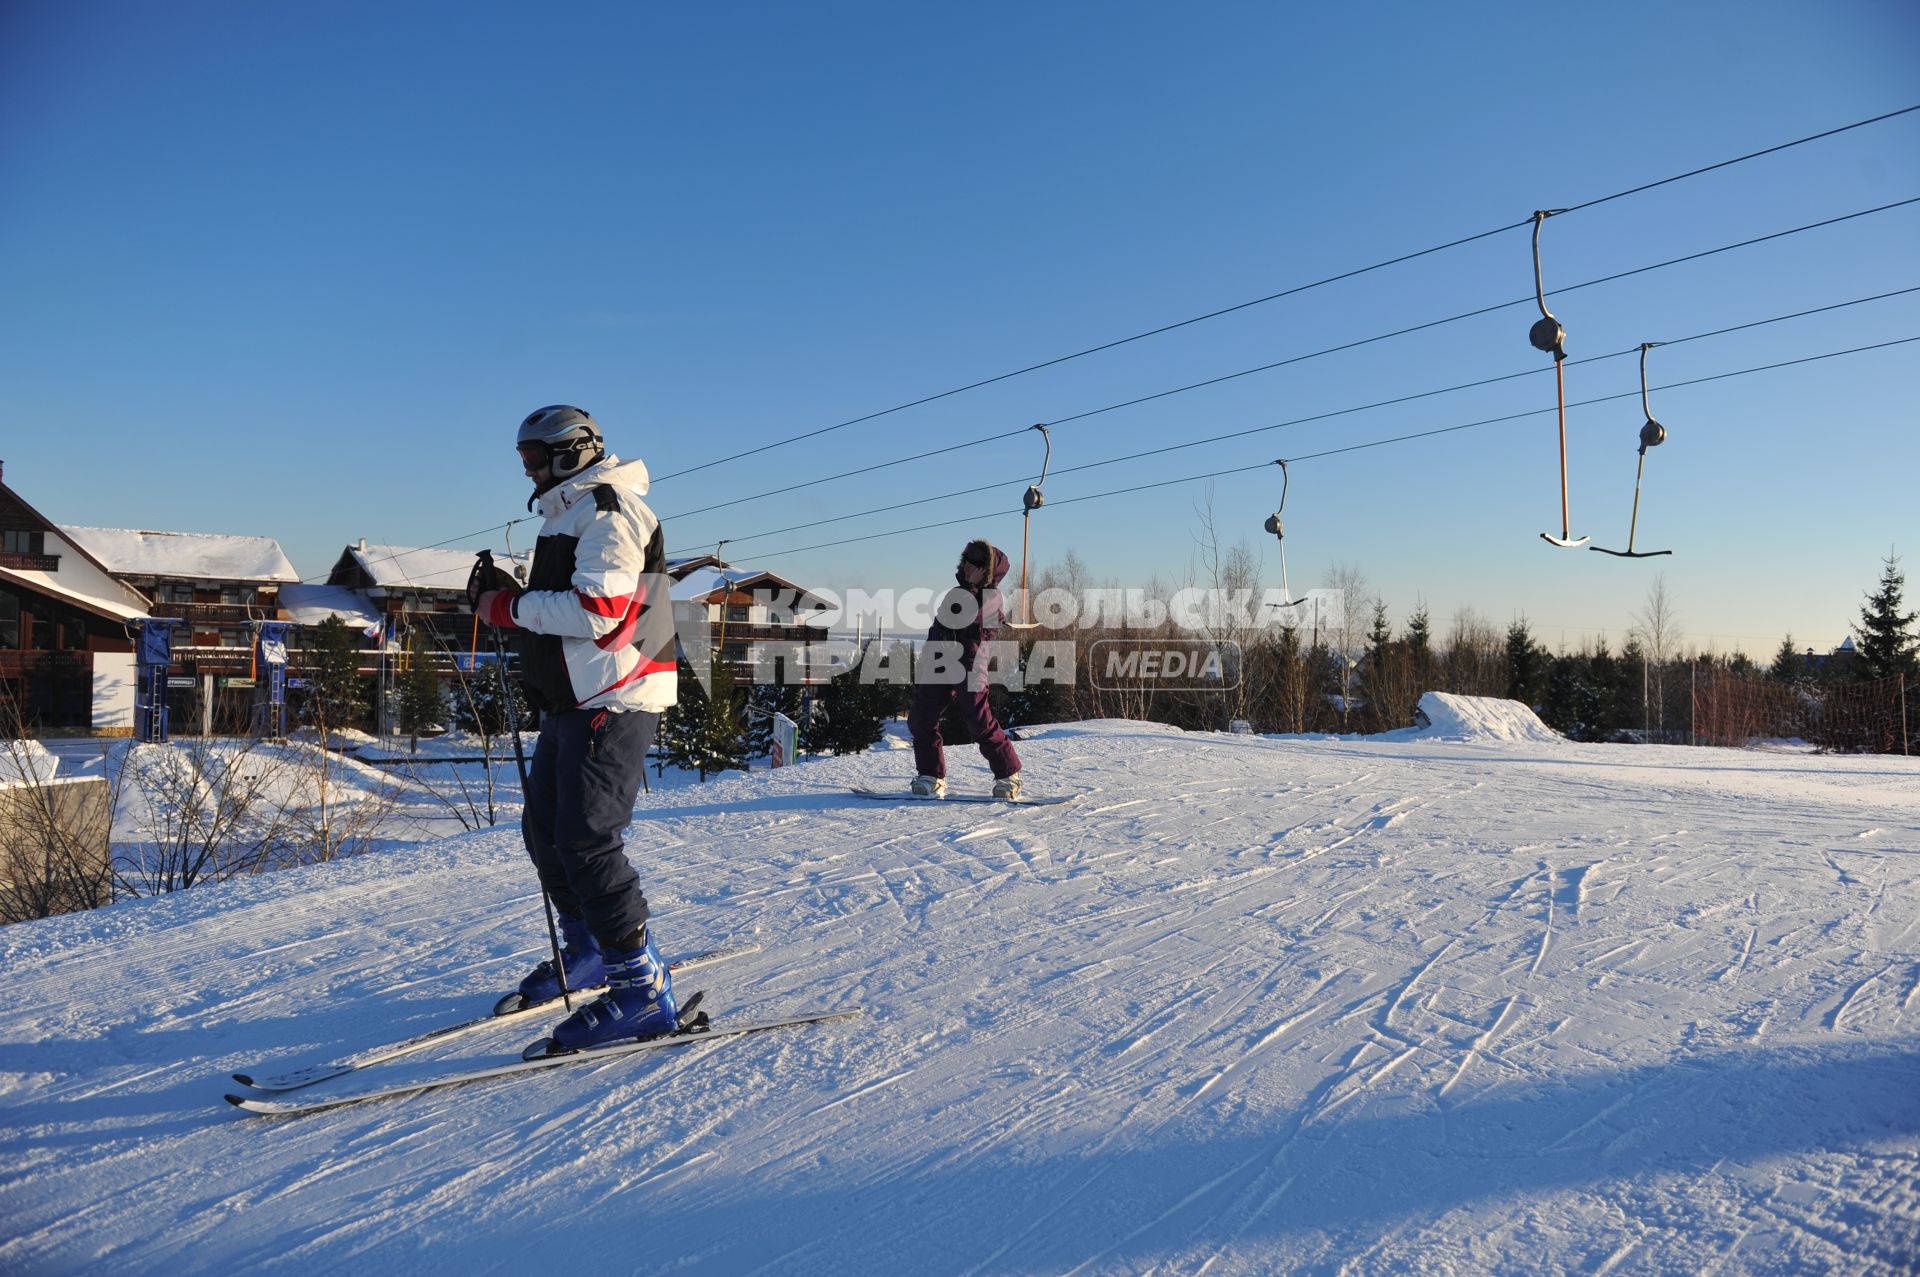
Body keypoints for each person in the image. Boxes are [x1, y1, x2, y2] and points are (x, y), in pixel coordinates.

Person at [475, 405, 682, 1052]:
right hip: (577, 696)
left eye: (535, 457)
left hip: (616, 695)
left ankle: (641, 989)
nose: (528, 469)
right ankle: (591, 947)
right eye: (524, 459)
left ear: (569, 452)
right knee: (546, 833)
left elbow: (603, 609)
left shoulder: (609, 509)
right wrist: (508, 596)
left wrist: (505, 606)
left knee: (588, 840)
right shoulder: (571, 511)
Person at [906, 538, 1023, 799]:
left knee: (979, 721)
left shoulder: (991, 598)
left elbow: (971, 614)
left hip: (970, 667)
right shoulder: (956, 593)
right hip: (940, 664)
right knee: (921, 718)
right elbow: (938, 628)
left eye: (977, 564)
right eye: (966, 562)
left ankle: (1009, 775)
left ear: (988, 571)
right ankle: (931, 776)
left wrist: (971, 588)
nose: (969, 567)